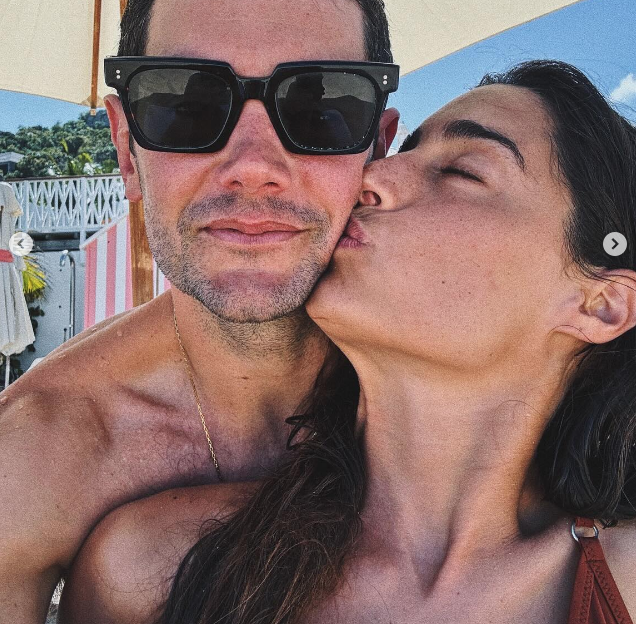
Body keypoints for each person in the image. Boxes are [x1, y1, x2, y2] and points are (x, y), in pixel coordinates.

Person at [59, 61, 636, 624]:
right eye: (401, 151)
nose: (370, 178)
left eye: (463, 172)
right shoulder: (150, 570)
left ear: (600, 305)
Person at [0, 0, 399, 622]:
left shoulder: (479, 387)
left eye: (319, 109)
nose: (253, 167)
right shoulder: (34, 457)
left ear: (378, 146)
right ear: (126, 150)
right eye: (185, 104)